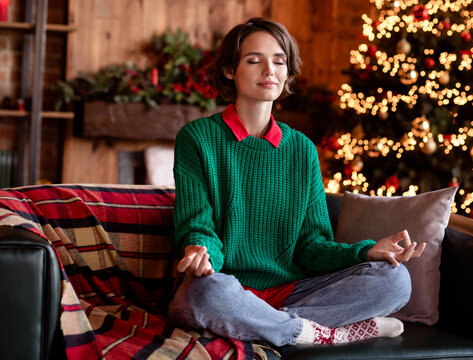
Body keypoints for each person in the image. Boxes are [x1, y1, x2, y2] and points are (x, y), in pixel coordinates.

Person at [168, 17, 425, 347]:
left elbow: (311, 246)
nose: (269, 71)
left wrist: (366, 252)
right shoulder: (196, 138)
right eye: (253, 60)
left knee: (395, 281)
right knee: (204, 295)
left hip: (290, 292)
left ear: (287, 72)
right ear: (230, 70)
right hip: (223, 285)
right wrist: (201, 252)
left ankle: (267, 325)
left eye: (279, 61)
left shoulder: (302, 149)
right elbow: (197, 223)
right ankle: (317, 332)